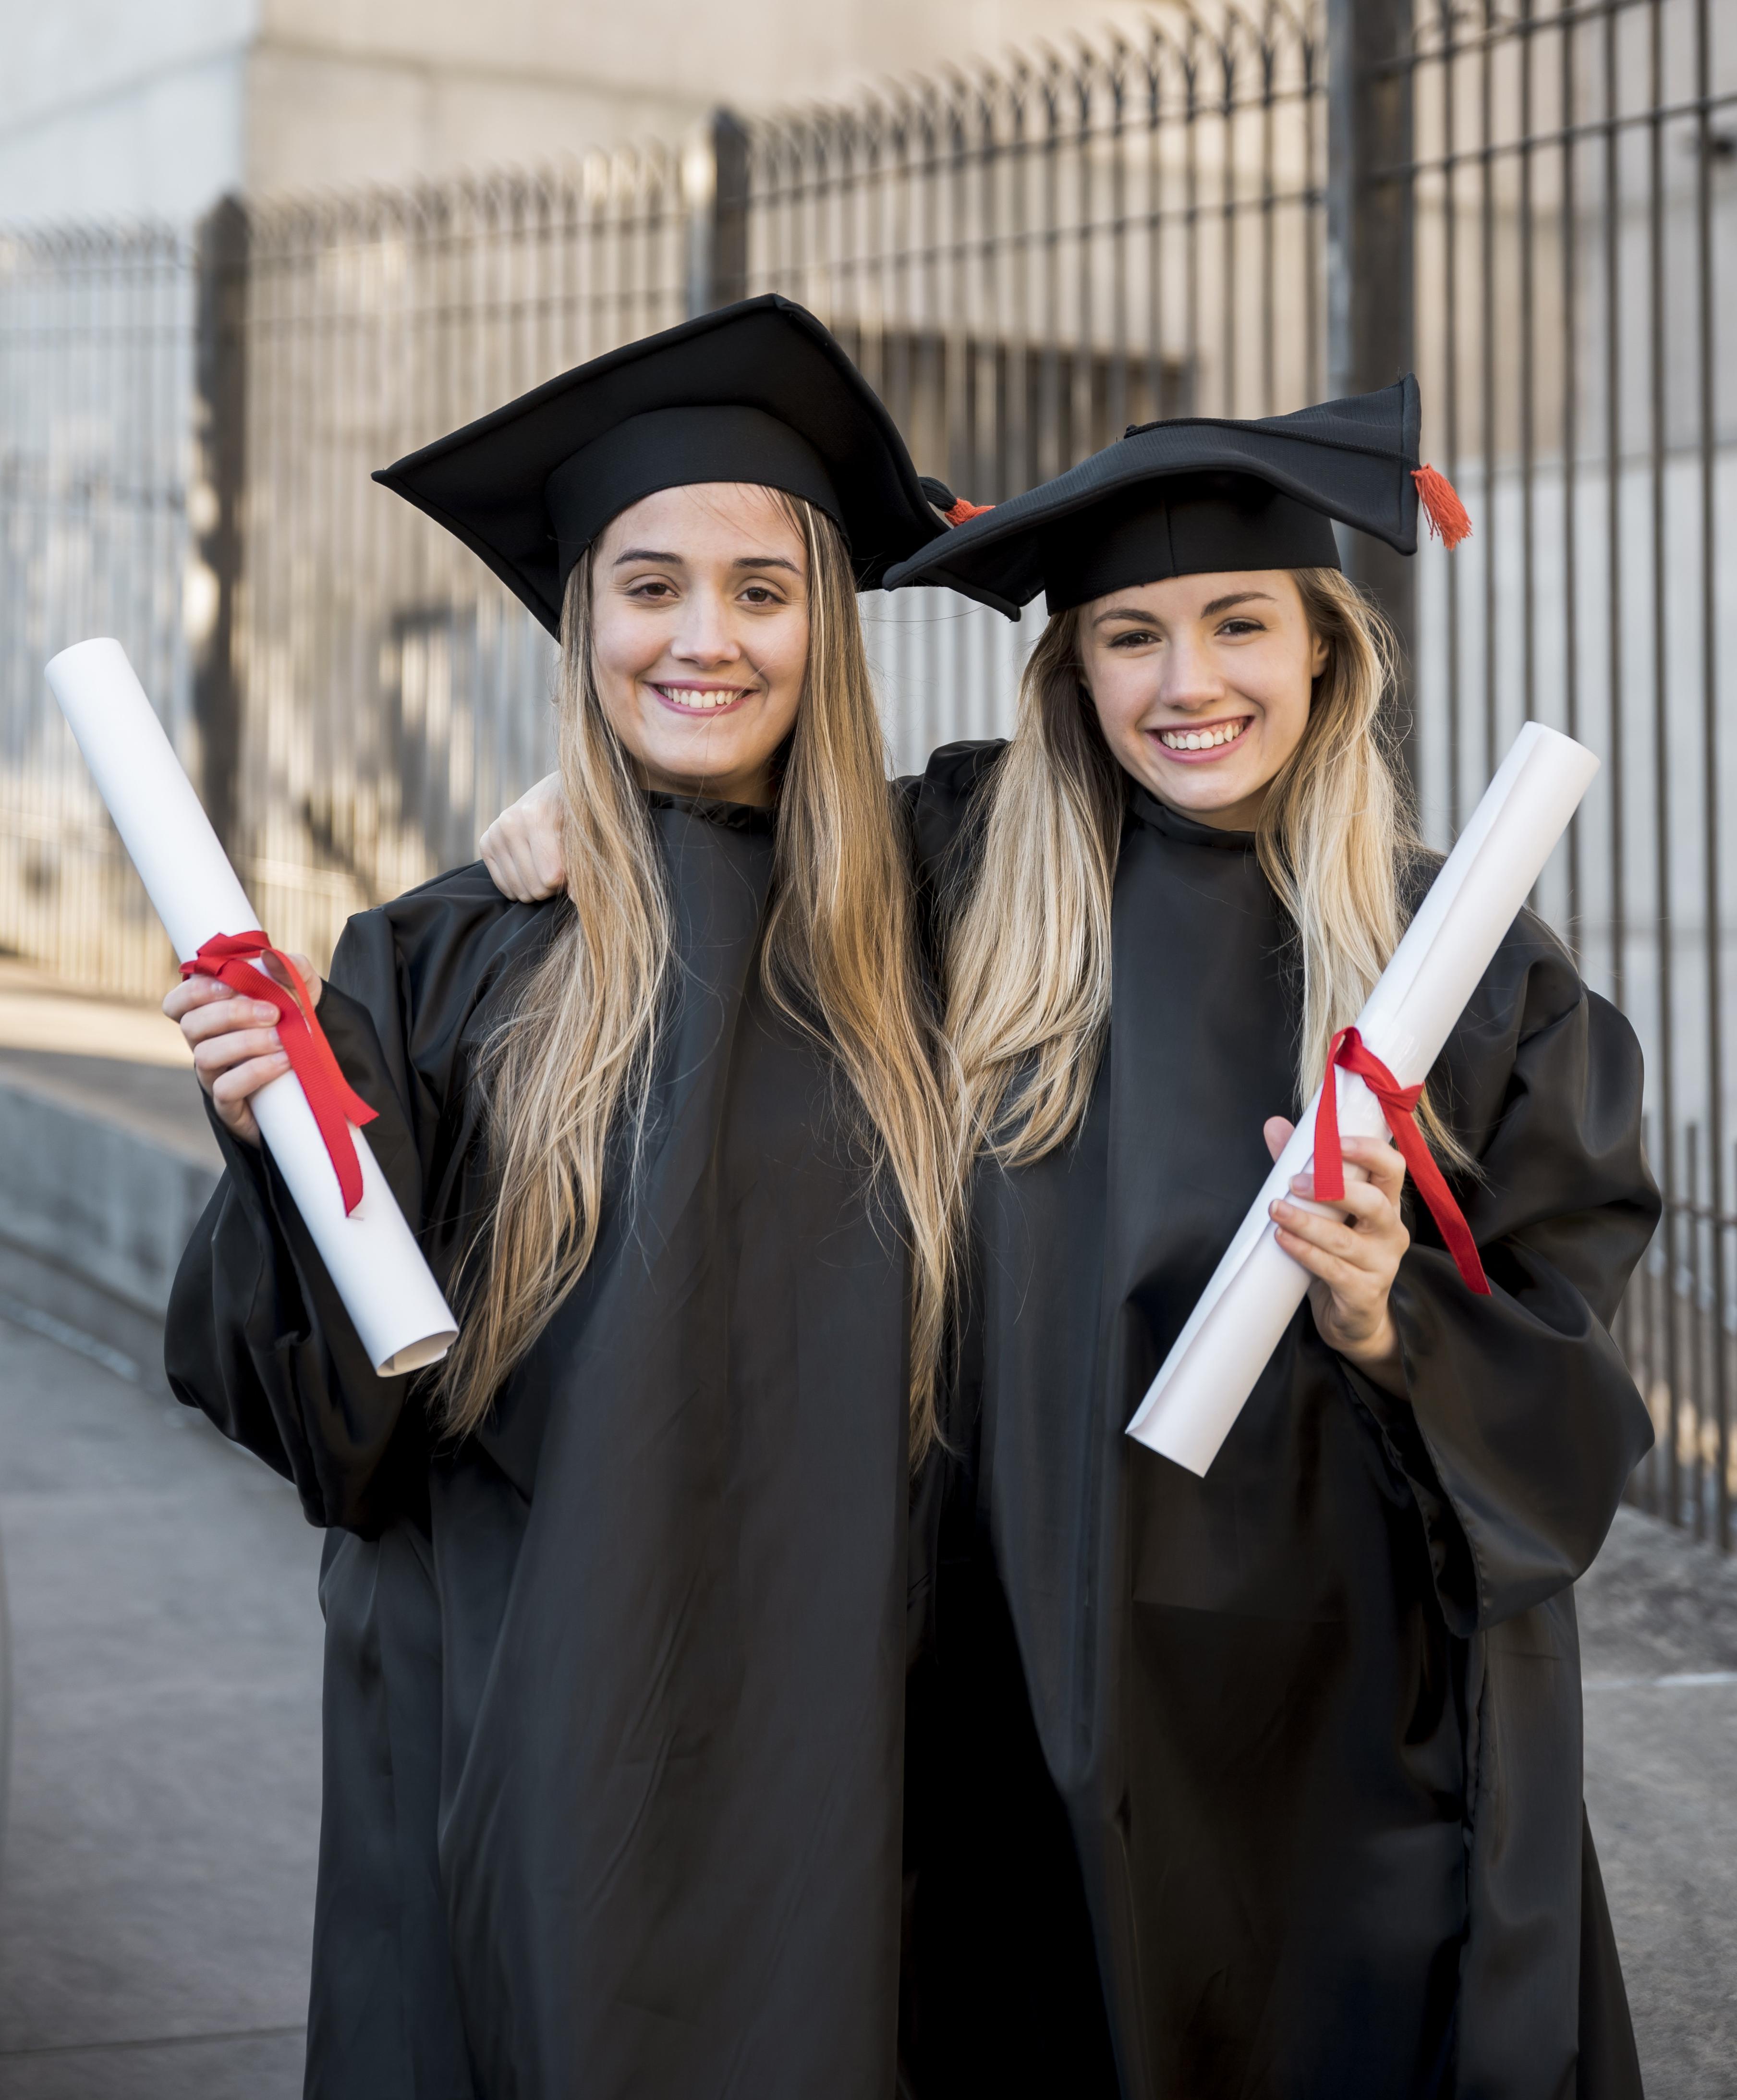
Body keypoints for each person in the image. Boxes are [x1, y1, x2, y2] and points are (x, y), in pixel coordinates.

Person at [477, 383, 1659, 2095]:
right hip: (1004, 1667)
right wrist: (560, 810)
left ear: (1325, 647)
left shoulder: (1459, 967)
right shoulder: (957, 875)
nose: (1190, 686)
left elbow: (1564, 1366)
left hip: (1332, 1707)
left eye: (1239, 624)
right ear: (1073, 671)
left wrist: (1390, 1306)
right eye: (1131, 637)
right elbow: (733, 827)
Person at [162, 295, 962, 2099]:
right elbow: (330, 1428)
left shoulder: (939, 931)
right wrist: (281, 1149)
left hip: (845, 1752)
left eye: (763, 591)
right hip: (511, 1736)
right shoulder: (442, 959)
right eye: (650, 584)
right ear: (579, 618)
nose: (707, 638)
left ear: (827, 629)